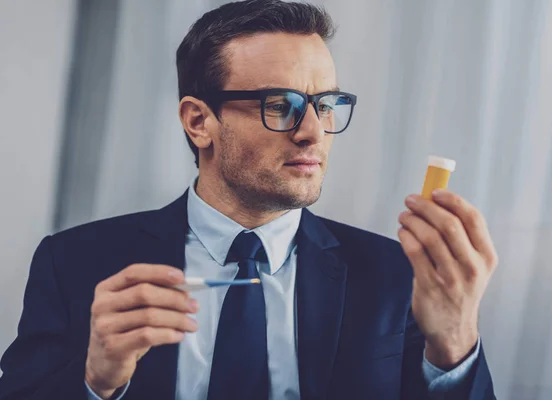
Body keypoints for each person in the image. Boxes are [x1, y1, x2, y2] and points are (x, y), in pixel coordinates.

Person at [0, 1, 498, 399]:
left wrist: (453, 344)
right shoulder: (75, 263)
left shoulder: (397, 274)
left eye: (326, 104)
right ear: (199, 122)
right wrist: (95, 383)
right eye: (280, 106)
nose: (313, 132)